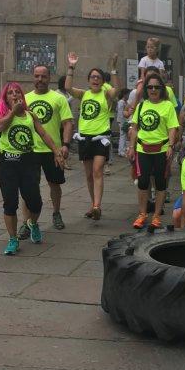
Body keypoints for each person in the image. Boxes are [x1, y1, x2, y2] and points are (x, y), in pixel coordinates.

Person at [0, 82, 64, 255]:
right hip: (8, 163)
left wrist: (56, 151)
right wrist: (12, 113)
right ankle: (13, 239)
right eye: (10, 93)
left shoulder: (31, 115)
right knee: (10, 203)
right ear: (5, 98)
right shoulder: (0, 114)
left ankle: (32, 223)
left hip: (28, 162)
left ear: (22, 97)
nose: (14, 95)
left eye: (17, 92)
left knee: (34, 202)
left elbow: (44, 134)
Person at [17, 65, 73, 238]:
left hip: (52, 150)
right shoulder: (25, 99)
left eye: (43, 76)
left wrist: (65, 145)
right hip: (30, 150)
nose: (39, 79)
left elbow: (68, 123)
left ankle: (56, 213)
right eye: (36, 76)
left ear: (50, 78)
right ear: (32, 78)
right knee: (28, 188)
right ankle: (26, 223)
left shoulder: (58, 98)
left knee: (54, 184)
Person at [65, 52, 119, 220]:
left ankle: (97, 206)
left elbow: (116, 90)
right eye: (92, 77)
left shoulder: (105, 94)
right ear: (89, 80)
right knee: (88, 175)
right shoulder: (84, 94)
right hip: (84, 138)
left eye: (98, 77)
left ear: (102, 81)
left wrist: (114, 69)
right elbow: (67, 87)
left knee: (97, 171)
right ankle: (93, 204)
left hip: (100, 138)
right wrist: (71, 67)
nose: (95, 79)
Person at [127, 73, 179, 229]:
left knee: (160, 183)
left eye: (157, 87)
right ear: (146, 89)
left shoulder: (167, 106)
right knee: (142, 182)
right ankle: (142, 214)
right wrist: (131, 147)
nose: (153, 90)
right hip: (143, 149)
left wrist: (170, 146)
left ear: (162, 89)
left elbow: (172, 129)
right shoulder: (142, 106)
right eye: (150, 87)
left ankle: (156, 215)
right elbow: (135, 128)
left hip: (161, 150)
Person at [116, 88, 131, 157]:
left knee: (124, 136)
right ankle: (121, 151)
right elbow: (120, 113)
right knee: (122, 136)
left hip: (124, 121)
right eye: (128, 94)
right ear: (124, 94)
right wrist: (122, 123)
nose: (129, 96)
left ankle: (123, 150)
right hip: (122, 121)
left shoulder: (125, 102)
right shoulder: (121, 102)